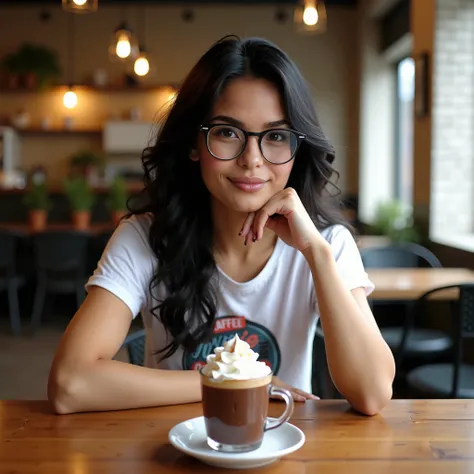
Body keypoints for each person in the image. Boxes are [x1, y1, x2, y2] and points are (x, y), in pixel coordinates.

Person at [48, 35, 395, 416]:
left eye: (276, 136)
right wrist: (234, 379)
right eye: (228, 132)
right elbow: (70, 384)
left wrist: (316, 254)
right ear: (194, 144)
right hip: (169, 453)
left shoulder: (327, 243)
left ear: (298, 149)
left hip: (284, 453)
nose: (252, 159)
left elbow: (373, 394)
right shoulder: (144, 238)